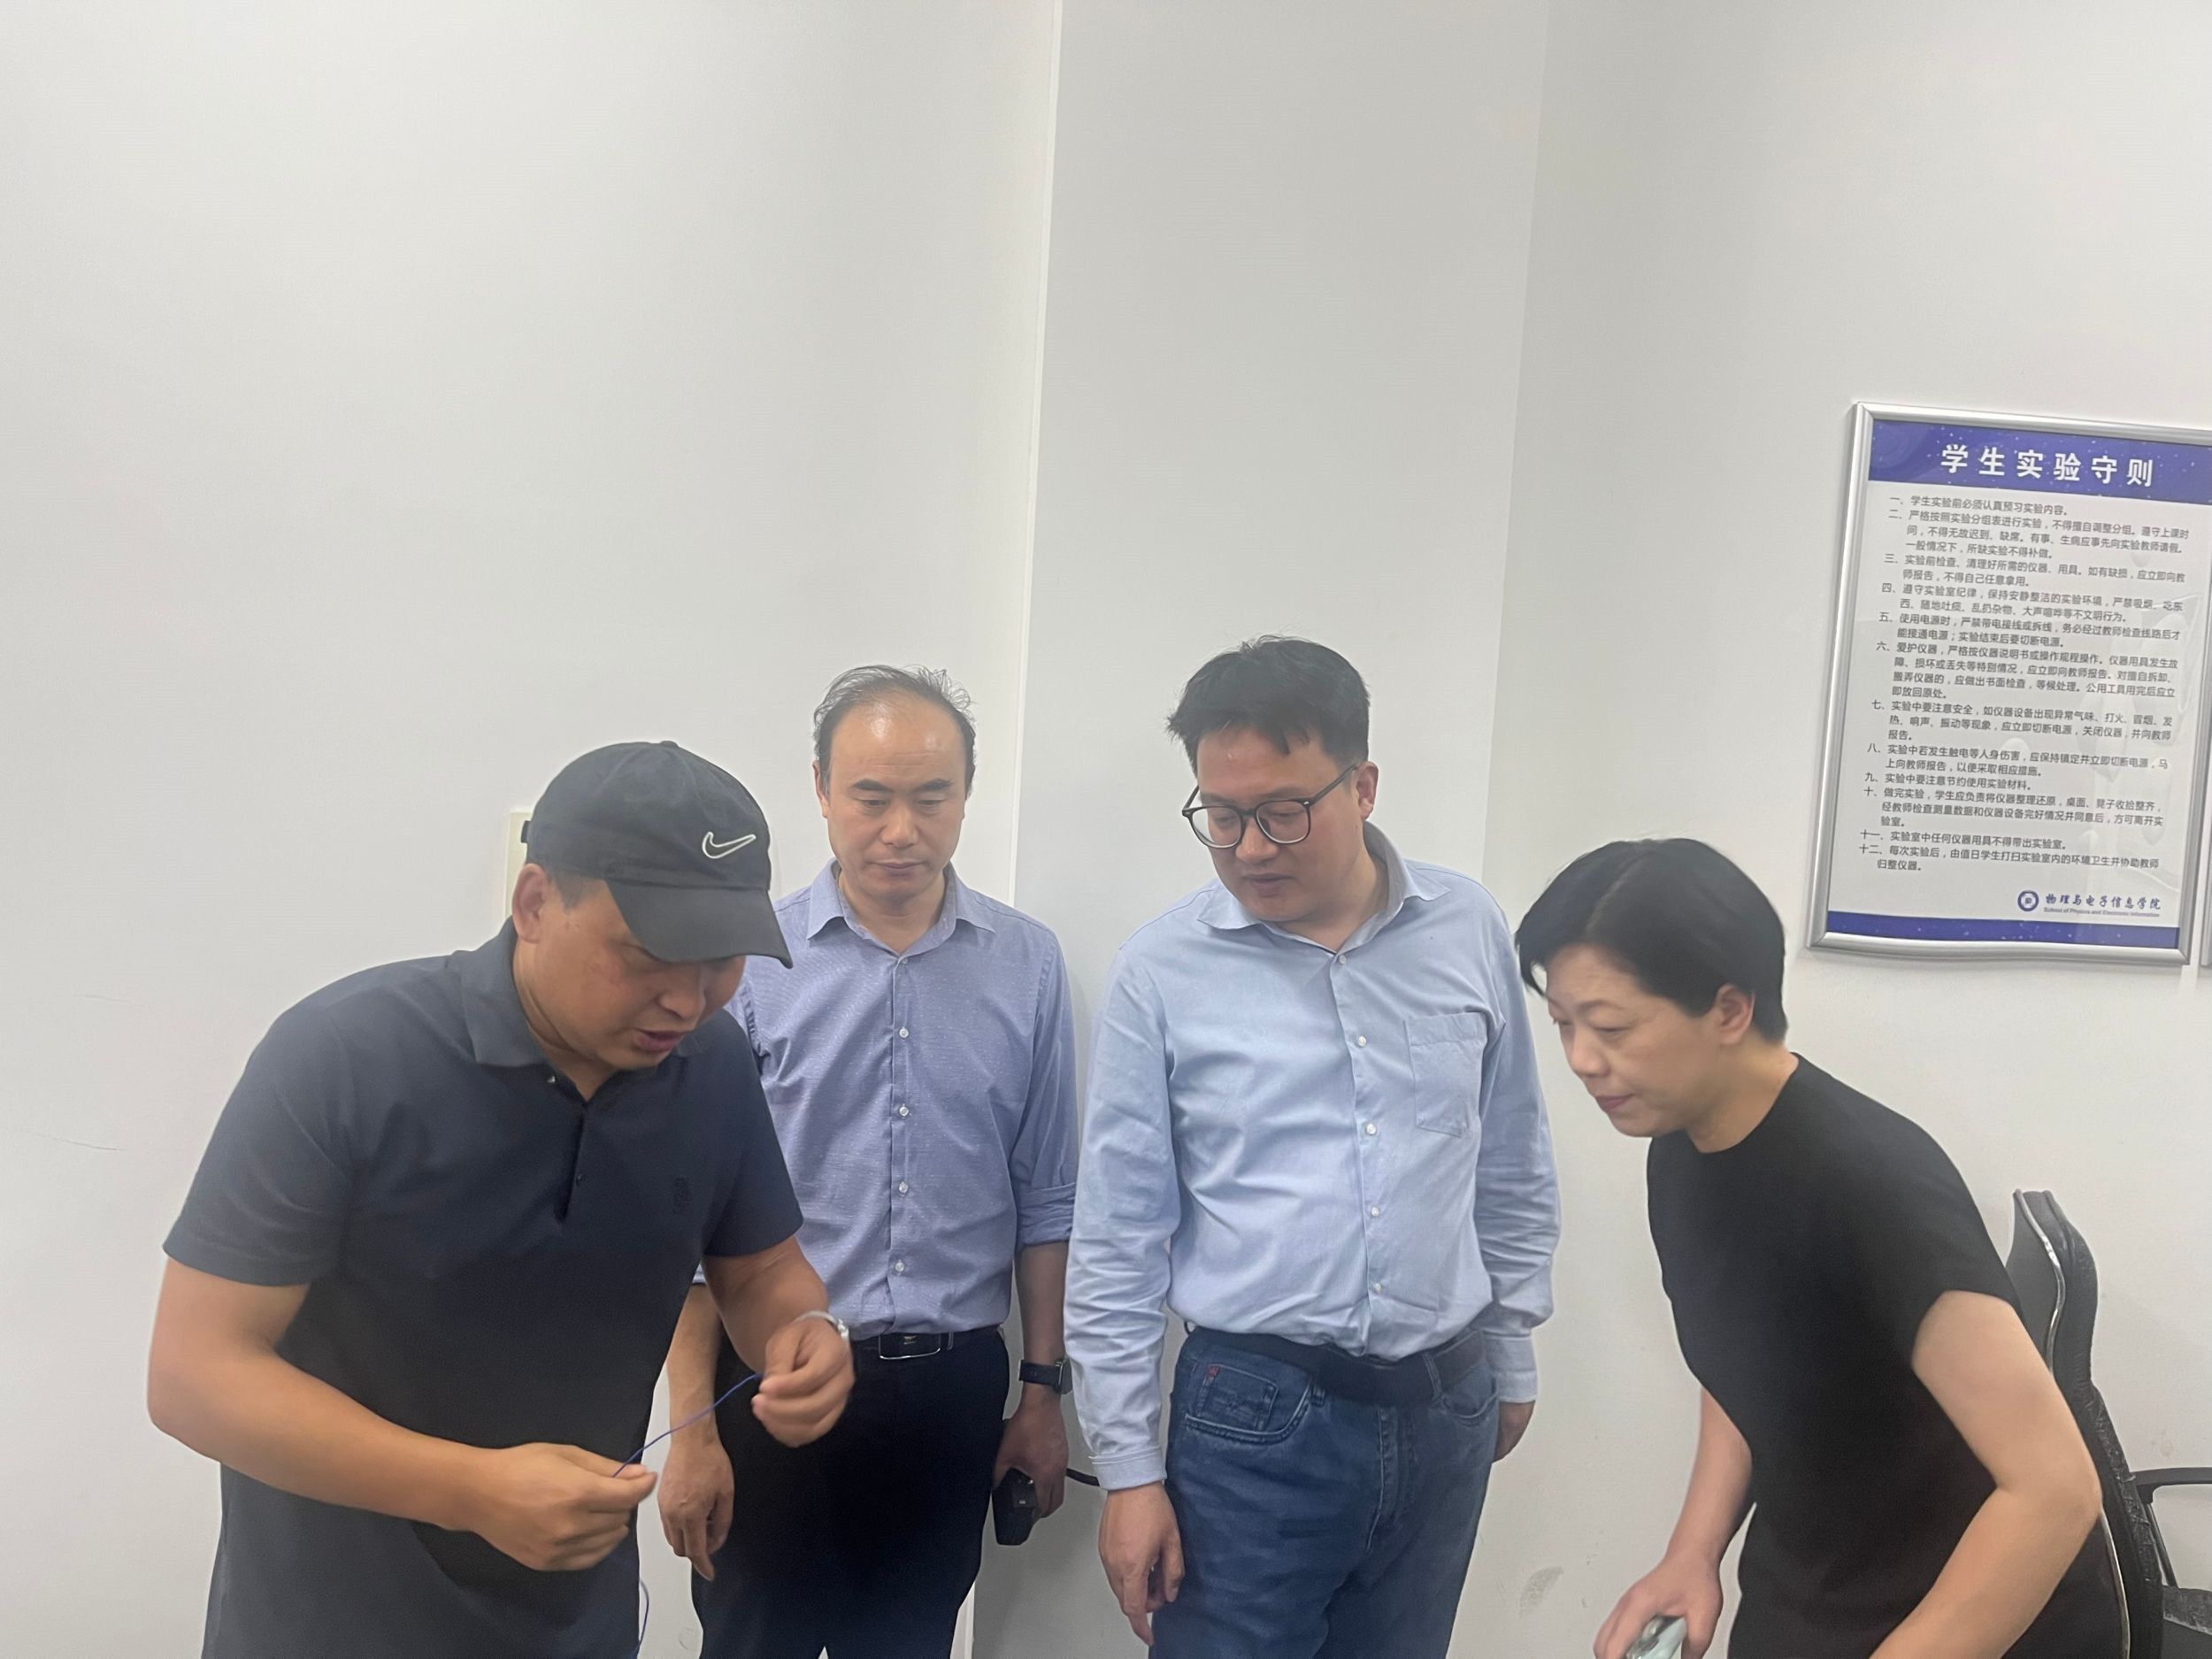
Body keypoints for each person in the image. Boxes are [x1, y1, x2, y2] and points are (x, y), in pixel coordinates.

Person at [148, 741, 856, 1659]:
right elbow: (194, 1375)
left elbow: (759, 1269)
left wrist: (803, 1333)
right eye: (649, 954)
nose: (686, 1001)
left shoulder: (711, 1067)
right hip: (328, 1623)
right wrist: (470, 1490)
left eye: (722, 961)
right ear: (533, 903)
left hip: (575, 1622)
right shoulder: (345, 1056)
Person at [1066, 636, 1560, 1658]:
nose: (1251, 847)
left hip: (1446, 1404)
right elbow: (1117, 1238)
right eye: (1222, 816)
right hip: (1253, 1423)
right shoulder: (1162, 971)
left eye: (1284, 811)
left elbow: (1508, 1158)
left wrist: (1509, 1351)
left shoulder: (1466, 927)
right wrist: (1127, 1471)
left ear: (1363, 786)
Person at [1515, 838, 2117, 1659]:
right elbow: (1745, 1361)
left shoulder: (1870, 1183)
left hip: (1966, 1616)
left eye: (1612, 1026)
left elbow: (2054, 1490)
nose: (1583, 1060)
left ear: (1730, 1010)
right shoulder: (1683, 1147)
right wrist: (1692, 1553)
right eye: (1565, 1025)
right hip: (1818, 1582)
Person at [658, 667, 1079, 1659]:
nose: (901, 830)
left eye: (931, 797)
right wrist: (692, 1431)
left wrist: (1041, 1392)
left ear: (967, 794)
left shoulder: (1027, 963)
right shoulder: (748, 966)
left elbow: (1047, 1196)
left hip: (949, 1396)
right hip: (773, 1384)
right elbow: (695, 1226)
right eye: (871, 796)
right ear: (820, 789)